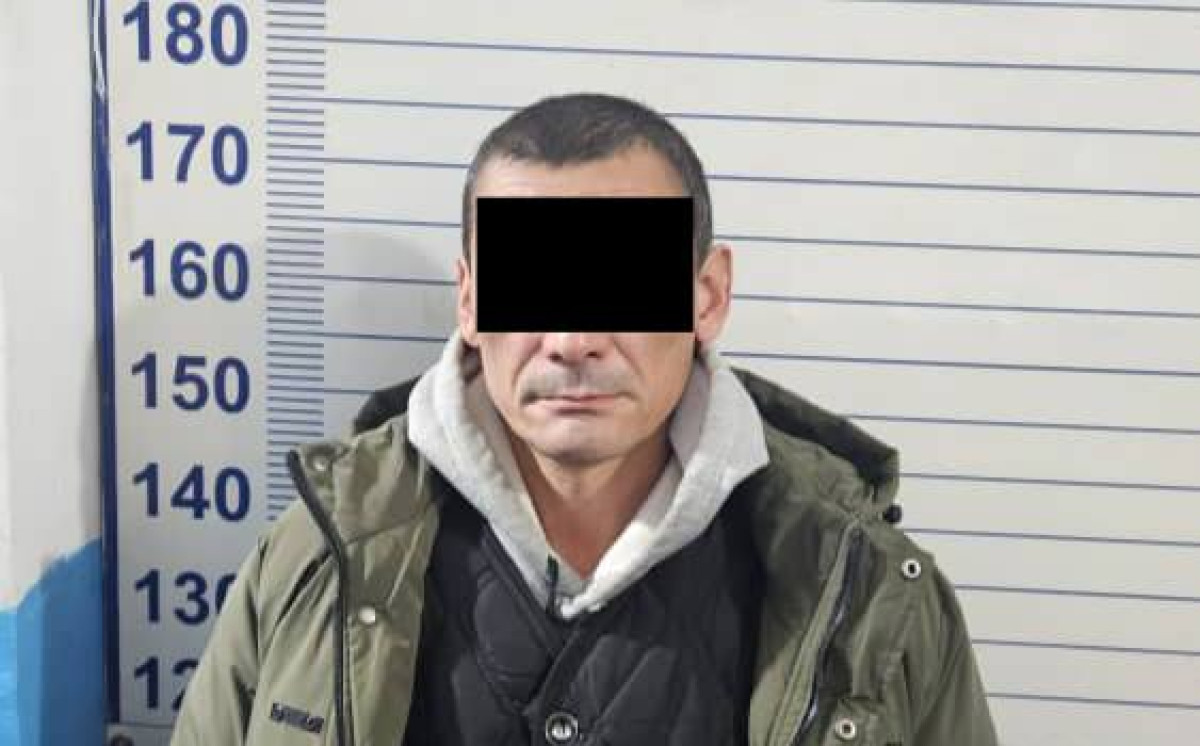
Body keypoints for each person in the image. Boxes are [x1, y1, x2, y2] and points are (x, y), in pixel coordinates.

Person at [171, 93, 998, 745]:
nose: (572, 341)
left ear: (707, 297)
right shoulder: (316, 559)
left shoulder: (870, 596)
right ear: (470, 301)